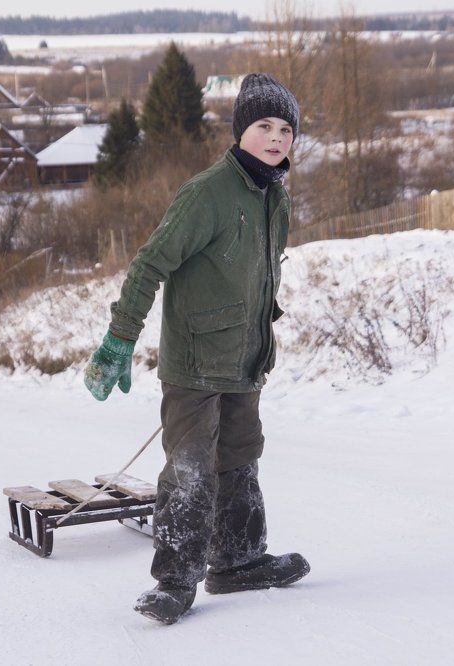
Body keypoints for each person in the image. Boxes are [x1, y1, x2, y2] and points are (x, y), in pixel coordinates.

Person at [83, 73, 310, 625]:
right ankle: (175, 582)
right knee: (190, 469)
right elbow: (149, 264)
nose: (276, 138)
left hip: (245, 359)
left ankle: (237, 561)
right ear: (240, 131)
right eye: (264, 126)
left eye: (285, 130)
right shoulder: (208, 193)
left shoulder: (273, 196)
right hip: (194, 363)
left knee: (240, 459)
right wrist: (120, 337)